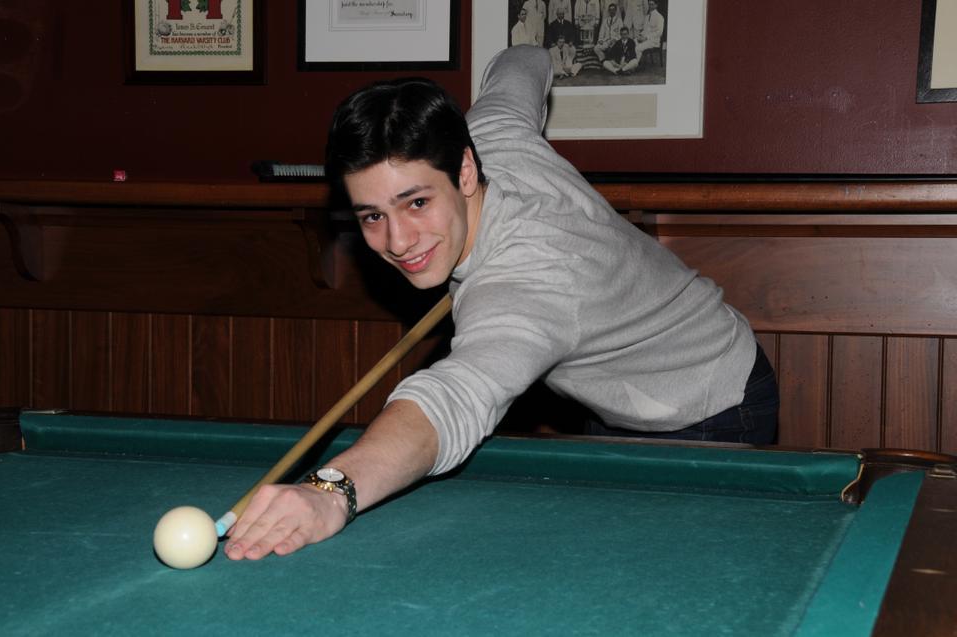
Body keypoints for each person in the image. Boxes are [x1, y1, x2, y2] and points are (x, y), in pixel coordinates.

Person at [223, 45, 779, 561]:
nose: (398, 241)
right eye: (373, 215)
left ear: (465, 171)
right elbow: (523, 61)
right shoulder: (495, 131)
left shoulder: (530, 284)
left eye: (416, 203)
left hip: (709, 397)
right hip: (621, 386)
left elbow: (454, 398)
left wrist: (332, 491)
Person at [633, 0, 665, 67]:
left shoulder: (659, 17)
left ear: (656, 5)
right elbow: (645, 30)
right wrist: (640, 35)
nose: (650, 6)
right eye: (649, 4)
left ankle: (634, 66)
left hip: (653, 41)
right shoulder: (647, 17)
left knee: (638, 48)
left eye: (652, 4)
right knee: (632, 42)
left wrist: (646, 38)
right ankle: (633, 62)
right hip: (645, 39)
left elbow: (659, 32)